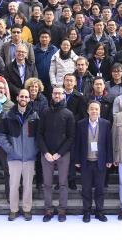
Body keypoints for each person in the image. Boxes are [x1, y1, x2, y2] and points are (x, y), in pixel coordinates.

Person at [0, 88, 39, 221]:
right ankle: (13, 210)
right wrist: (10, 149)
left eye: (26, 97)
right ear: (17, 98)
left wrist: (34, 150)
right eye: (22, 96)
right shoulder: (8, 115)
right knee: (14, 185)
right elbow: (1, 134)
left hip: (29, 157)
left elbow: (39, 135)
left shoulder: (34, 115)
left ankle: (27, 209)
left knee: (28, 185)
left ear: (29, 99)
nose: (24, 99)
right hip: (14, 157)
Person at [37, 86, 76, 222]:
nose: (57, 95)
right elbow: (39, 134)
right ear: (52, 95)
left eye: (59, 93)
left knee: (63, 183)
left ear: (63, 95)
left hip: (63, 154)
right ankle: (48, 210)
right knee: (47, 183)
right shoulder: (45, 112)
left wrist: (60, 153)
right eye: (55, 93)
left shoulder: (68, 114)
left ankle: (62, 210)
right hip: (47, 154)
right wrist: (45, 152)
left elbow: (71, 137)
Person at [73, 101, 113, 222]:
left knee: (100, 188)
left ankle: (99, 211)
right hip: (86, 162)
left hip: (100, 162)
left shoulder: (105, 124)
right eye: (92, 109)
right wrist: (77, 159)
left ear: (99, 111)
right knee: (86, 188)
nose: (94, 111)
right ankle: (87, 211)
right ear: (88, 111)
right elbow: (77, 143)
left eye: (96, 109)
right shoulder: (81, 124)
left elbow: (108, 142)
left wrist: (109, 159)